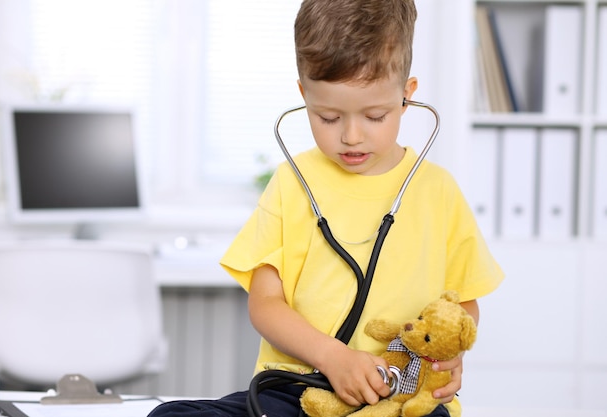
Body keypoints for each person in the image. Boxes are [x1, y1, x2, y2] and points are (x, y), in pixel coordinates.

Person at [148, 0, 504, 416]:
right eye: (329, 117)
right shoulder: (291, 182)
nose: (352, 136)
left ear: (407, 95)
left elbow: (463, 305)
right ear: (304, 94)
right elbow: (265, 304)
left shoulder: (437, 190)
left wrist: (450, 354)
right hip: (298, 387)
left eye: (375, 115)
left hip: (399, 396)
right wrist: (333, 358)